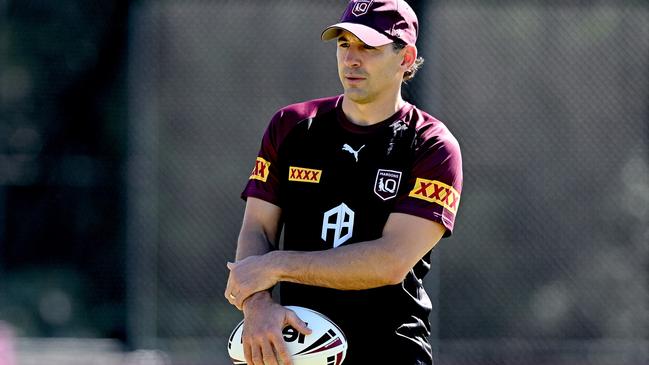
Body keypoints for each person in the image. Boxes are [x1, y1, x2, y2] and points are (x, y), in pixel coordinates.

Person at [225, 1, 462, 364]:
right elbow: (257, 227)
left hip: (390, 353)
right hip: (297, 350)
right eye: (343, 44)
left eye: (367, 47)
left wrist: (275, 265)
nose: (351, 58)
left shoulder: (431, 145)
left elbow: (391, 261)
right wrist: (257, 306)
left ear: (405, 57)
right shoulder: (290, 127)